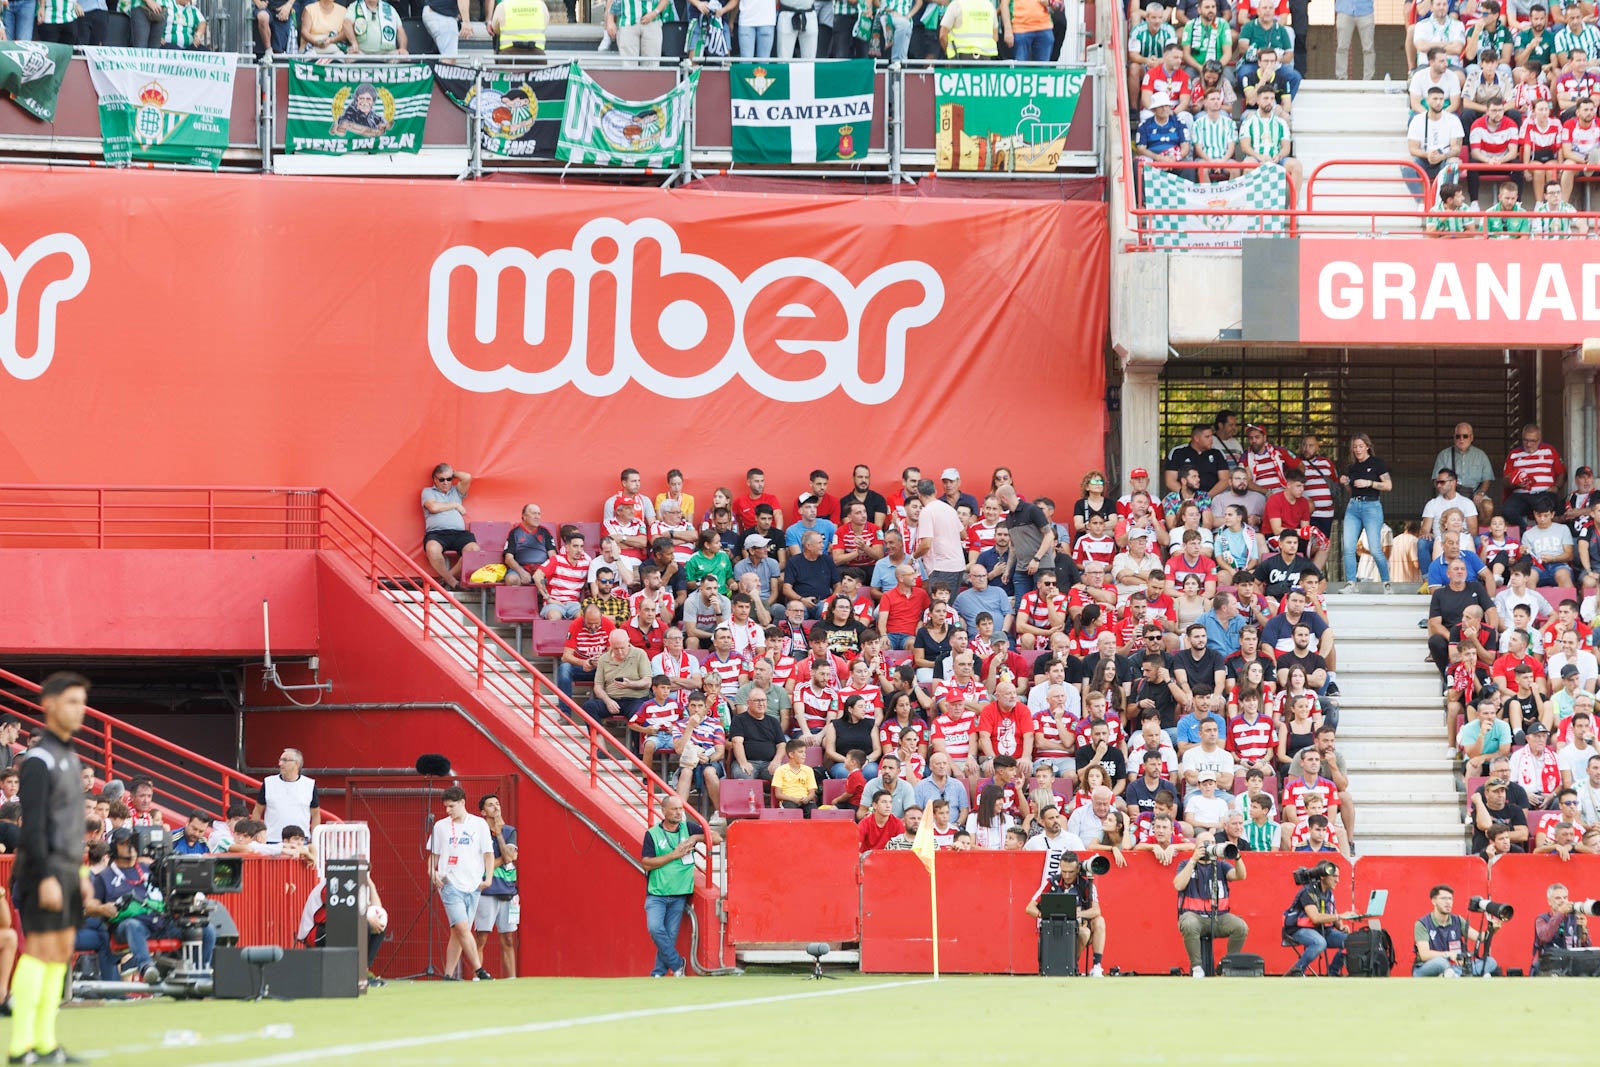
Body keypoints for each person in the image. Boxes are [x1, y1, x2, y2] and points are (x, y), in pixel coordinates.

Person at [8, 674, 90, 1063]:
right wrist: (44, 877)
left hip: (68, 869)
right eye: (72, 701)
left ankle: (45, 1042)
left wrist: (82, 874)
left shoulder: (71, 756)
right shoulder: (38, 760)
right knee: (40, 951)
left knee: (60, 952)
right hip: (43, 869)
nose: (80, 709)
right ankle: (19, 1045)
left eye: (82, 702)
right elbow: (35, 825)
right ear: (50, 704)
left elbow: (73, 822)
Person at [91, 826, 218, 980]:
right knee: (133, 925)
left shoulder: (152, 869)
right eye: (124, 843)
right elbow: (90, 907)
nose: (130, 846)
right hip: (127, 926)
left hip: (161, 922)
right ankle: (147, 968)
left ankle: (201, 973)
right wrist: (103, 909)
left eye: (132, 842)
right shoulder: (104, 876)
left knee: (206, 929)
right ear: (113, 847)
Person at [641, 795, 716, 978]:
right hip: (657, 892)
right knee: (655, 928)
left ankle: (658, 972)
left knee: (670, 935)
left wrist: (697, 837)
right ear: (664, 811)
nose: (679, 813)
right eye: (674, 809)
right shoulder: (652, 833)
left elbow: (717, 838)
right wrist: (673, 856)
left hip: (680, 893)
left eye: (681, 809)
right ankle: (676, 963)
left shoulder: (688, 828)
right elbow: (646, 863)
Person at [427, 785, 494, 982]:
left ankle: (448, 975)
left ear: (462, 803)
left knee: (457, 932)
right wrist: (432, 871)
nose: (448, 811)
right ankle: (479, 970)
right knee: (463, 928)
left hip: (473, 884)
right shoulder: (440, 826)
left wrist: (488, 878)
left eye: (451, 806)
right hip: (450, 883)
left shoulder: (479, 824)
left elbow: (488, 854)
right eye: (446, 807)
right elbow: (434, 855)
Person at [1174, 831, 1247, 977]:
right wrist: (1193, 860)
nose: (1209, 846)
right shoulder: (1185, 864)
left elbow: (1241, 876)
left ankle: (1227, 964)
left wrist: (1237, 857)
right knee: (1189, 924)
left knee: (1240, 927)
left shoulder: (1221, 866)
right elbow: (1178, 885)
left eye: (1212, 843)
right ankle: (1196, 967)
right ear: (1196, 846)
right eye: (1205, 843)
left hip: (1219, 916)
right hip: (1193, 915)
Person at [1024, 849, 1106, 976]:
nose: (1067, 876)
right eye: (1064, 871)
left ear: (1078, 869)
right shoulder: (1051, 882)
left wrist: (1077, 914)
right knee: (1084, 932)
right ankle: (1065, 966)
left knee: (1098, 922)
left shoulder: (1086, 884)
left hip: (1077, 927)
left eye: (1071, 872)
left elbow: (1096, 910)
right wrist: (1044, 914)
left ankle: (1095, 966)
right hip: (1055, 929)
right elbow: (1029, 908)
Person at [1283, 859, 1356, 975]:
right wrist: (1340, 916)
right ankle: (1297, 971)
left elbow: (1332, 912)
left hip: (1323, 931)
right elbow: (1315, 918)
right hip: (1299, 930)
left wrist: (1341, 926)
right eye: (1334, 877)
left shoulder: (1329, 893)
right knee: (1319, 943)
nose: (1338, 880)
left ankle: (1333, 973)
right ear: (1323, 876)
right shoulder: (1308, 892)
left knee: (1353, 941)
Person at [473, 794, 518, 979]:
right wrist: (498, 860)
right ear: (483, 812)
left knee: (508, 939)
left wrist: (499, 833)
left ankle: (512, 979)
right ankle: (477, 976)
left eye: (498, 803)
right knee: (481, 937)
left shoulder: (509, 831)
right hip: (487, 890)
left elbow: (510, 856)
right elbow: (481, 864)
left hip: (509, 890)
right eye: (491, 805)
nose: (496, 807)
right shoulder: (478, 832)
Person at [1339, 433, 1392, 591]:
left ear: (1367, 446)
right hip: (1353, 506)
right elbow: (1352, 490)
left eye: (1360, 446)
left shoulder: (1377, 463)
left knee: (1375, 548)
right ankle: (1351, 583)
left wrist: (1369, 482)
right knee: (1348, 547)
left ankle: (1386, 582)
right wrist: (1345, 483)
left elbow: (1388, 485)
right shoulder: (1352, 467)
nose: (1357, 449)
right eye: (1355, 447)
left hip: (1372, 506)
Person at [1414, 884, 1500, 976]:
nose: (1448, 902)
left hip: (1456, 967)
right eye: (1443, 899)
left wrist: (1492, 929)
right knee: (1441, 963)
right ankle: (1458, 975)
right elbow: (1424, 955)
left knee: (1490, 962)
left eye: (1450, 899)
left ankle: (1452, 975)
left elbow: (1480, 938)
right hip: (1428, 967)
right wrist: (1448, 954)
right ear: (1433, 901)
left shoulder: (1458, 920)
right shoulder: (1422, 924)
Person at [421, 464, 477, 590]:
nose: (446, 482)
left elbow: (467, 477)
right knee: (432, 549)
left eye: (449, 479)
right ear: (435, 480)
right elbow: (433, 508)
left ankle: (446, 578)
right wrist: (455, 505)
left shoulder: (456, 491)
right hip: (437, 533)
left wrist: (453, 472)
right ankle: (453, 582)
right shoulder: (428, 492)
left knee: (474, 549)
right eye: (441, 479)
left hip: (459, 533)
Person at [250, 747, 320, 846]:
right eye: (280, 760)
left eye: (285, 760)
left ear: (297, 764)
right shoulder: (269, 782)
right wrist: (255, 834)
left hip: (300, 842)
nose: (280, 764)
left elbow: (316, 814)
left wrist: (314, 838)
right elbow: (257, 810)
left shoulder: (309, 784)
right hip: (271, 840)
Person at [1531, 881, 1592, 974]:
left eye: (1565, 897)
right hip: (1548, 966)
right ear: (1549, 902)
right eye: (1558, 898)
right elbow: (1545, 936)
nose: (1563, 901)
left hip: (1572, 965)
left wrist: (1583, 929)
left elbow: (1587, 948)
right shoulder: (1542, 919)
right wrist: (1560, 914)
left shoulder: (1574, 918)